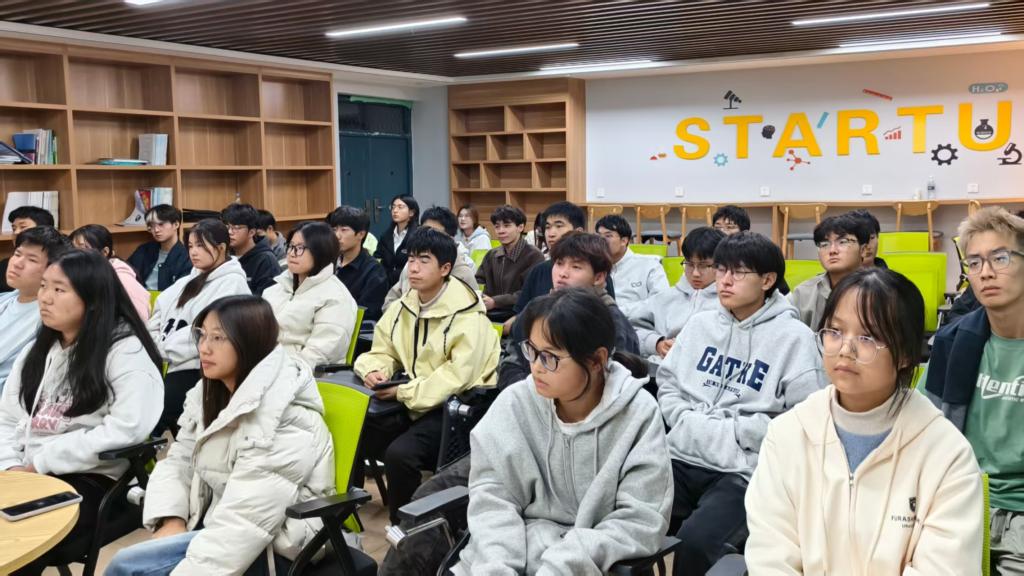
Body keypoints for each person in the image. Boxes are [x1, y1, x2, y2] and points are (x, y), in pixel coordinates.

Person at [746, 267, 983, 575]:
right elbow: (770, 556)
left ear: (905, 354)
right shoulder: (788, 435)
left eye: (868, 337)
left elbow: (945, 568)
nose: (845, 349)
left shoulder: (947, 454)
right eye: (835, 331)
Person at [106, 296, 335, 576]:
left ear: (250, 342)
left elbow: (245, 524)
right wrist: (172, 518)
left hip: (275, 543)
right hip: (218, 522)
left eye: (218, 338)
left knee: (128, 567)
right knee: (127, 564)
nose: (204, 347)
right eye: (202, 335)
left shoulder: (284, 418)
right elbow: (179, 460)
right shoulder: (210, 394)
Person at [453, 288, 672, 574]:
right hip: (505, 554)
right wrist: (498, 566)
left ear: (596, 360)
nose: (535, 368)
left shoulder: (637, 414)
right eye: (532, 351)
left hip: (592, 564)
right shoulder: (516, 402)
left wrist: (563, 564)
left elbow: (640, 519)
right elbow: (493, 498)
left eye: (550, 357)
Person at [658, 231, 826, 575]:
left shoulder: (795, 339)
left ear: (767, 280)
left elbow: (805, 417)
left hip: (743, 470)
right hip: (681, 454)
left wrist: (737, 433)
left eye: (738, 272)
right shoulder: (700, 324)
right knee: (624, 519)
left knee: (696, 543)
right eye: (721, 270)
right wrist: (684, 418)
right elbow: (668, 381)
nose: (724, 280)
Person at [0, 250, 163, 576]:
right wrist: (11, 466)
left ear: (92, 300)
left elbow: (127, 427)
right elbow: (7, 417)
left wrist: (41, 463)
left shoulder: (124, 350)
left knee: (17, 538)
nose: (45, 298)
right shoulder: (39, 350)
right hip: (25, 470)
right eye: (44, 286)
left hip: (90, 476)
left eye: (59, 289)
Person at [354, 227, 499, 523]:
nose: (414, 268)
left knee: (400, 455)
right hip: (411, 400)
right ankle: (345, 516)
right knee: (358, 433)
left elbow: (455, 377)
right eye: (411, 259)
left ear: (445, 269)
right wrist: (375, 371)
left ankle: (409, 530)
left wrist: (403, 392)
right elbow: (382, 350)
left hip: (454, 409)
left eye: (424, 260)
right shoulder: (404, 306)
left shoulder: (468, 316)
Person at [924, 207, 1024, 574]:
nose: (986, 272)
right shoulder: (953, 342)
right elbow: (924, 432)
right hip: (963, 502)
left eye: (1001, 258)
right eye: (975, 262)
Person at [148, 219, 251, 435]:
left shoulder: (232, 283)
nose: (194, 252)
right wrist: (155, 345)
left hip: (201, 368)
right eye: (191, 246)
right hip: (172, 364)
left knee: (155, 412)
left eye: (201, 246)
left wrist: (163, 349)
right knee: (145, 404)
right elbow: (157, 315)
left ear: (221, 248)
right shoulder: (188, 280)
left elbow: (206, 332)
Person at [499, 232, 639, 389]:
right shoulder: (534, 310)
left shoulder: (612, 322)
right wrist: (529, 393)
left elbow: (619, 382)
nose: (563, 273)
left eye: (576, 267)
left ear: (598, 277)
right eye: (559, 263)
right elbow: (510, 363)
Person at [263, 221, 357, 369]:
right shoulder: (275, 289)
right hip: (266, 365)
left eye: (300, 248)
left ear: (321, 252)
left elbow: (320, 353)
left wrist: (279, 370)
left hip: (302, 373)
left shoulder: (335, 297)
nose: (292, 253)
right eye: (290, 246)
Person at [510, 202, 615, 331]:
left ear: (578, 231)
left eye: (559, 226)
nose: (551, 233)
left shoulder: (596, 272)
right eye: (548, 227)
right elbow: (521, 315)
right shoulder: (538, 271)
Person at [631, 227, 724, 367]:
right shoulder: (667, 297)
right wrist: (656, 343)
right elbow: (629, 329)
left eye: (704, 266)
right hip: (658, 368)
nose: (695, 273)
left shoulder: (729, 302)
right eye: (689, 264)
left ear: (721, 265)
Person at [0, 227, 67, 392]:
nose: (17, 263)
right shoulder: (4, 300)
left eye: (32, 259)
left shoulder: (50, 317)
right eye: (17, 254)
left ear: (52, 270)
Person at [382, 206, 478, 310]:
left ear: (450, 238)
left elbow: (470, 310)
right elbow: (390, 300)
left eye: (435, 233)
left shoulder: (463, 273)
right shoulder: (411, 265)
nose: (427, 237)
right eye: (424, 231)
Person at [788, 213, 871, 330]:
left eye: (842, 242)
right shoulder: (803, 294)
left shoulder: (881, 291)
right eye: (824, 244)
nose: (832, 250)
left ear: (863, 250)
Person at [476, 205, 545, 323]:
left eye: (507, 226)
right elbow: (478, 282)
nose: (501, 231)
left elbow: (531, 293)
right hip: (488, 314)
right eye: (497, 226)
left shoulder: (534, 256)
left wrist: (496, 302)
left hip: (520, 316)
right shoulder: (491, 255)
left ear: (520, 227)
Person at [70, 224, 151, 320]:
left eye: (83, 248)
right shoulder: (84, 273)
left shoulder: (122, 278)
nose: (75, 254)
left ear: (104, 252)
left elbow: (139, 318)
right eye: (73, 248)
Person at [597, 214, 669, 316]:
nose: (601, 241)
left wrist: (620, 311)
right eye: (598, 236)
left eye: (608, 236)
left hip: (638, 322)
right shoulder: (594, 266)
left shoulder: (649, 264)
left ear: (624, 241)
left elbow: (661, 300)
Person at [328, 206, 389, 322]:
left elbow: (368, 313)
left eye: (344, 230)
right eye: (334, 229)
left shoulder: (374, 271)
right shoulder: (328, 263)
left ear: (361, 234)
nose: (337, 235)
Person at [127, 205, 193, 291]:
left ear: (176, 224)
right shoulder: (144, 250)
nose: (156, 230)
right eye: (152, 226)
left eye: (161, 224)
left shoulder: (186, 257)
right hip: (140, 297)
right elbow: (126, 271)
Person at [222, 203, 281, 296]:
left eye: (236, 228)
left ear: (251, 232)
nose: (230, 232)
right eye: (227, 227)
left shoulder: (266, 259)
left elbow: (267, 298)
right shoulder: (224, 256)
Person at [0, 206, 55, 293]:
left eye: (23, 227)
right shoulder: (4, 265)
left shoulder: (56, 265)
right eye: (14, 229)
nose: (16, 232)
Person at [375, 194, 420, 285]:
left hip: (409, 283)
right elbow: (378, 257)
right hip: (386, 283)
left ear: (411, 212)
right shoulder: (386, 236)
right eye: (393, 207)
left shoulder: (418, 235)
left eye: (400, 207)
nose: (395, 211)